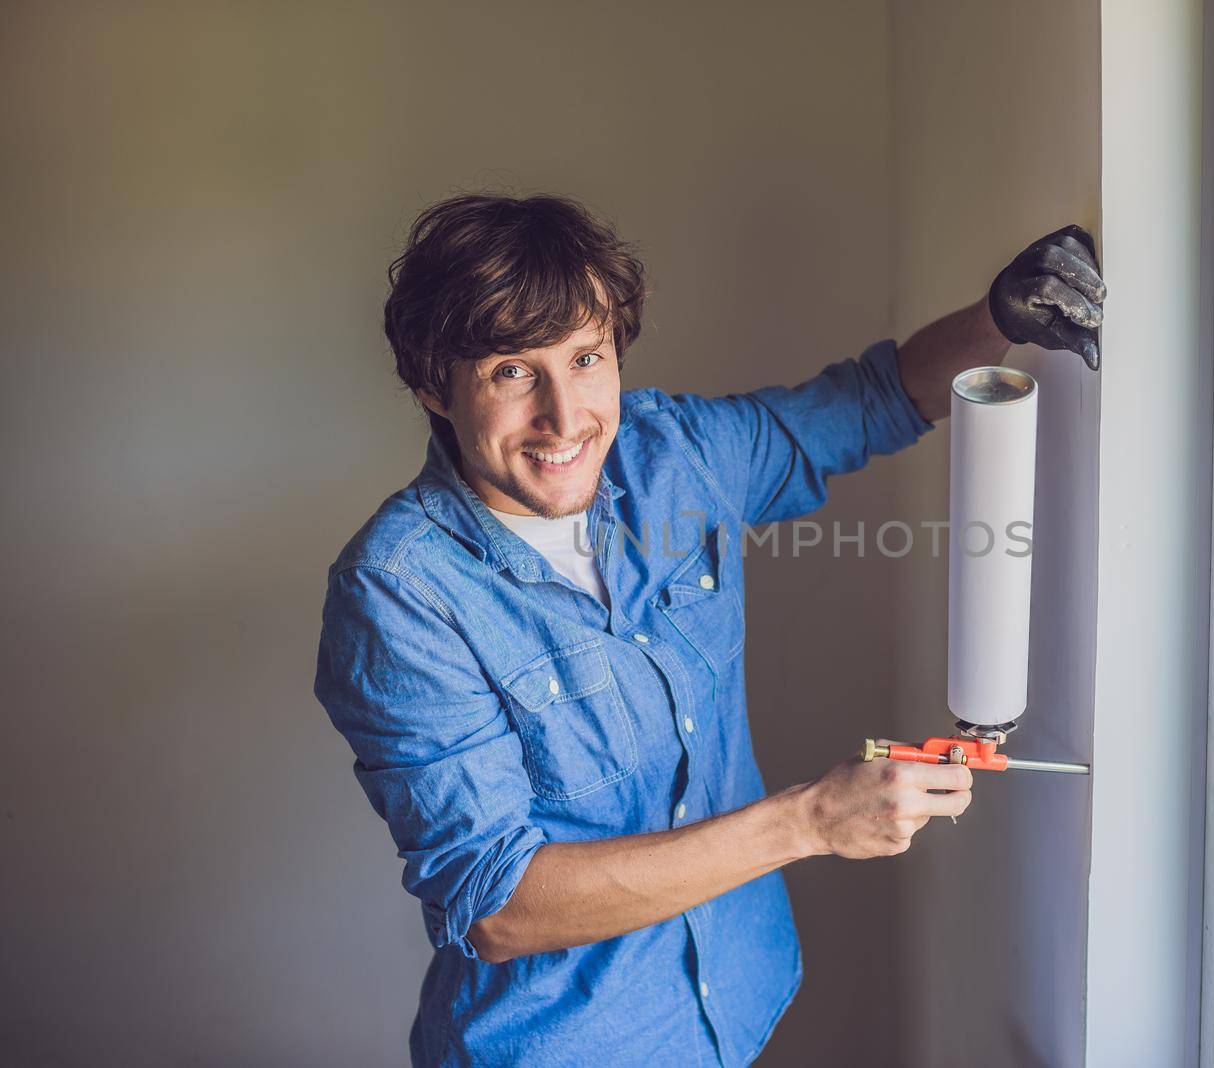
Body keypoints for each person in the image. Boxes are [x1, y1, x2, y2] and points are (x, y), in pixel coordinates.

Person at [313, 193, 1104, 1066]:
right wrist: (810, 821)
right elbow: (499, 907)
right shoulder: (397, 595)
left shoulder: (672, 453)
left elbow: (874, 399)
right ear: (433, 382)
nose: (566, 416)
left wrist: (1000, 316)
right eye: (512, 371)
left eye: (586, 358)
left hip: (735, 1003)